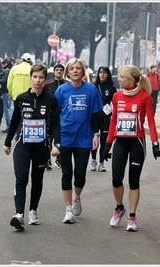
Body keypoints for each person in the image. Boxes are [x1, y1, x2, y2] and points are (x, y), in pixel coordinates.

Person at [104, 64, 160, 232]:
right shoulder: (116, 96)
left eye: (121, 77)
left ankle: (132, 216)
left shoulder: (145, 97)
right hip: (120, 142)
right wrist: (108, 143)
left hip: (137, 141)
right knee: (116, 179)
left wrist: (155, 143)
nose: (118, 79)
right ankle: (119, 208)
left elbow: (151, 121)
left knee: (133, 181)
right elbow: (114, 120)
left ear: (130, 79)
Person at [3, 64, 61, 230]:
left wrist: (57, 144)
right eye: (35, 77)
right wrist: (7, 142)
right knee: (21, 178)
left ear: (45, 79)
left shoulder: (51, 100)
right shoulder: (21, 98)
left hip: (41, 146)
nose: (37, 80)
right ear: (31, 77)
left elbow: (56, 124)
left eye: (41, 77)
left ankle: (33, 210)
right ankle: (19, 214)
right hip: (22, 144)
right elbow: (14, 121)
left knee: (37, 179)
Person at [54, 58, 103, 224]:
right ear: (67, 72)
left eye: (78, 68)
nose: (75, 71)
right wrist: (55, 141)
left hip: (84, 137)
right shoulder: (61, 91)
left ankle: (77, 196)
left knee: (80, 175)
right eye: (72, 68)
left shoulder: (91, 90)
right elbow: (54, 116)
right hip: (65, 137)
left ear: (83, 72)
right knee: (66, 173)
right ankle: (68, 210)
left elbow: (96, 114)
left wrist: (96, 135)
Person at [89, 66, 116, 172]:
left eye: (104, 73)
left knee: (104, 140)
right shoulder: (93, 87)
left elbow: (115, 102)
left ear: (108, 74)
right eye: (100, 72)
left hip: (106, 117)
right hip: (94, 116)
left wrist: (114, 114)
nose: (102, 74)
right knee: (94, 139)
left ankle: (101, 162)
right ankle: (94, 160)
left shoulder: (111, 88)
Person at [43, 62, 67, 170]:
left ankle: (60, 159)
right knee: (48, 137)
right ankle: (47, 159)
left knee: (60, 137)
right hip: (49, 115)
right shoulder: (48, 85)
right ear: (54, 71)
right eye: (57, 70)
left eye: (61, 70)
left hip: (62, 115)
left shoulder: (66, 84)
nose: (59, 72)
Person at [0, 57, 15, 133]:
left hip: (6, 90)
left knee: (7, 109)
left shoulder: (6, 70)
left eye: (2, 64)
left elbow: (4, 80)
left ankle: (9, 126)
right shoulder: (12, 70)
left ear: (5, 64)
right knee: (9, 109)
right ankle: (11, 125)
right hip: (10, 90)